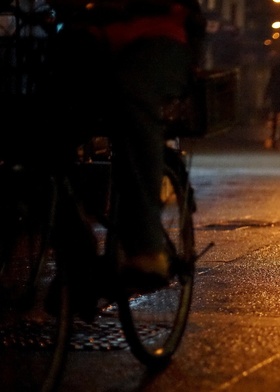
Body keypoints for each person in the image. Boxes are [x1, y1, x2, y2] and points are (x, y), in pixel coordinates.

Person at [46, 0, 205, 305]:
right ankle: (78, 257)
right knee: (42, 130)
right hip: (93, 36)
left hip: (160, 35)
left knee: (132, 95)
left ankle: (146, 247)